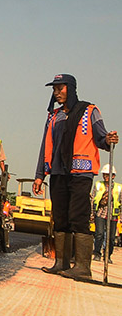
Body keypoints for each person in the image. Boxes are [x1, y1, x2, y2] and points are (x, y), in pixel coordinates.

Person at [34, 74, 119, 279]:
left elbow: (101, 137)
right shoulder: (54, 116)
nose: (56, 92)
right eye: (54, 89)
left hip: (81, 172)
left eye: (60, 88)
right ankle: (61, 263)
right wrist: (39, 175)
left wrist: (108, 139)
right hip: (58, 172)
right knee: (60, 217)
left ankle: (83, 267)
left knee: (78, 217)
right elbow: (45, 145)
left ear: (70, 89)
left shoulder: (90, 111)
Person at [93, 164, 120, 262]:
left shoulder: (118, 188)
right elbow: (93, 199)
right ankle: (97, 253)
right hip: (100, 213)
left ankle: (107, 256)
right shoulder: (99, 185)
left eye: (108, 175)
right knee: (99, 234)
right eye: (104, 175)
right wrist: (92, 214)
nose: (105, 177)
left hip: (113, 215)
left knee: (111, 237)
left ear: (113, 176)